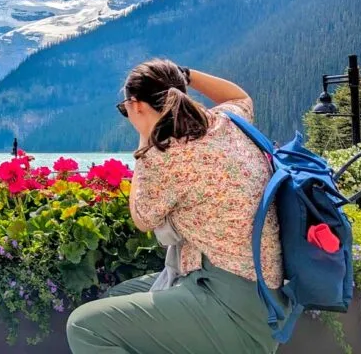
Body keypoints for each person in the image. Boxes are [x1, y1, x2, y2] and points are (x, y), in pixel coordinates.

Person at [66, 59, 285, 354]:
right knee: (117, 298)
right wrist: (187, 75)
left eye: (125, 109)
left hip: (235, 310)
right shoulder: (228, 123)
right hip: (263, 295)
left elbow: (142, 218)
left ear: (137, 105)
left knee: (85, 326)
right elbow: (239, 97)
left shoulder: (166, 155)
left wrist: (144, 139)